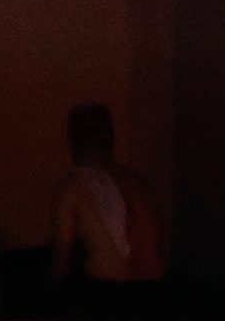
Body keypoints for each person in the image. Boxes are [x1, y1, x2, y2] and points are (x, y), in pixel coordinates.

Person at [51, 101, 164, 285]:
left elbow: (62, 262)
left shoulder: (73, 187)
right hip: (156, 290)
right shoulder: (136, 182)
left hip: (109, 291)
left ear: (72, 140)